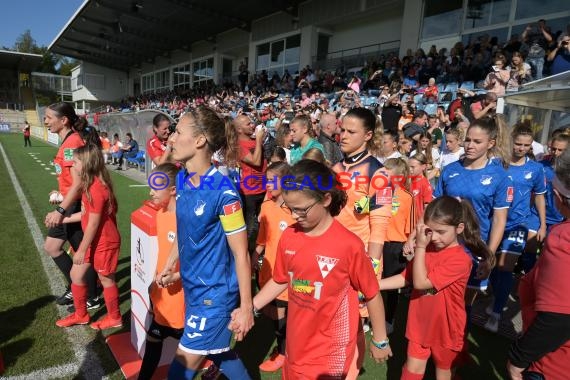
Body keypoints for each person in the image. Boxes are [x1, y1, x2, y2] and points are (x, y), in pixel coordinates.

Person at [238, 160, 392, 378]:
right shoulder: (289, 236)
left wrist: (380, 339)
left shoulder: (349, 245)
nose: (294, 216)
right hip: (297, 343)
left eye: (302, 210)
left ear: (326, 199)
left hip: (331, 350)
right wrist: (250, 308)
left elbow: (372, 293)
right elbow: (281, 279)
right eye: (290, 209)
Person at [157, 106, 253, 379]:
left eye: (177, 132)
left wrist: (246, 308)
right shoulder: (184, 179)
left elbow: (241, 254)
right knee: (219, 352)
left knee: (178, 373)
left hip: (214, 296)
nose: (171, 139)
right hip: (194, 288)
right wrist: (171, 262)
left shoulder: (224, 193)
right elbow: (186, 231)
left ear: (200, 141)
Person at [381, 196, 489, 380]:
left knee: (444, 371)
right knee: (412, 369)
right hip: (419, 323)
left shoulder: (460, 260)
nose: (435, 237)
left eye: (441, 231)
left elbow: (421, 283)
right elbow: (406, 277)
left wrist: (421, 247)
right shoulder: (428, 249)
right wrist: (375, 285)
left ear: (459, 228)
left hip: (446, 327)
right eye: (431, 231)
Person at [507, 149, 570, 380]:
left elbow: (559, 317)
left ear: (557, 196)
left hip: (554, 364)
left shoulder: (564, 238)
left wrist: (517, 359)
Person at [434, 116, 508, 304]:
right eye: (468, 139)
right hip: (443, 244)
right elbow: (434, 209)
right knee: (438, 296)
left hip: (475, 247)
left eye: (477, 141)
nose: (470, 145)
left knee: (464, 304)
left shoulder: (499, 176)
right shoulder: (450, 170)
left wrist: (489, 254)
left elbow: (499, 220)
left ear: (490, 143)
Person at [484, 125, 547, 333]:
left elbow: (539, 196)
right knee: (492, 263)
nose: (521, 148)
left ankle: (496, 313)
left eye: (526, 145)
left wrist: (542, 224)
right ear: (511, 141)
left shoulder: (536, 170)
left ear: (531, 146)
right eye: (518, 144)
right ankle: (497, 295)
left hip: (519, 224)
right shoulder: (496, 164)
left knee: (505, 266)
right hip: (494, 222)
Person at [55, 144, 122, 330]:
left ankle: (115, 318)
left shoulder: (96, 189)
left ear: (86, 164)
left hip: (105, 242)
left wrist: (81, 250)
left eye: (75, 162)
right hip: (94, 241)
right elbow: (86, 215)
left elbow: (92, 224)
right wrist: (62, 219)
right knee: (76, 274)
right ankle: (81, 315)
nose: (72, 165)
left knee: (106, 279)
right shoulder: (89, 185)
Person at [43, 102, 101, 309]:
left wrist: (60, 209)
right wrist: (59, 193)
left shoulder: (71, 144)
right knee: (73, 249)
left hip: (73, 204)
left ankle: (87, 292)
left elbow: (78, 184)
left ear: (63, 120)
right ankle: (83, 289)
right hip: (69, 201)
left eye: (49, 117)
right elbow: (70, 180)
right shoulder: (69, 141)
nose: (46, 121)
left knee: (61, 248)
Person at [137, 163, 185, 379]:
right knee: (153, 340)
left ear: (173, 190)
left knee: (195, 349)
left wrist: (175, 276)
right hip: (163, 295)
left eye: (156, 187)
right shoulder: (161, 214)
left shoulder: (187, 218)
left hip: (183, 300)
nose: (150, 192)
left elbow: (198, 262)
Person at [252, 162, 295, 372]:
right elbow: (262, 239)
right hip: (267, 271)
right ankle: (285, 348)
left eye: (272, 180)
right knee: (272, 313)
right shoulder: (266, 206)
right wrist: (254, 257)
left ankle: (284, 354)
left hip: (286, 275)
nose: (268, 185)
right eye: (266, 180)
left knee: (282, 316)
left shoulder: (294, 210)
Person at [381, 158, 416, 335]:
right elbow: (362, 210)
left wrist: (409, 243)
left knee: (391, 286)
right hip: (377, 243)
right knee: (373, 280)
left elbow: (411, 226)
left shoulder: (407, 197)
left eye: (387, 173)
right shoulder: (378, 192)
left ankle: (389, 318)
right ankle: (370, 317)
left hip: (396, 246)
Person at [226, 114, 268, 253]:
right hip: (250, 192)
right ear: (238, 130)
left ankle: (259, 256)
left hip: (264, 189)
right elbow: (255, 162)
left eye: (252, 122)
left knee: (264, 224)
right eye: (248, 124)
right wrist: (259, 140)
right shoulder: (238, 146)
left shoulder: (254, 141)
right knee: (251, 228)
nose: (252, 125)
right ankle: (247, 258)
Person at [408, 153, 433, 221]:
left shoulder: (425, 184)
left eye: (413, 167)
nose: (410, 169)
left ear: (423, 167)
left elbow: (427, 208)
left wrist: (421, 223)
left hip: (417, 223)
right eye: (409, 167)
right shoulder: (407, 182)